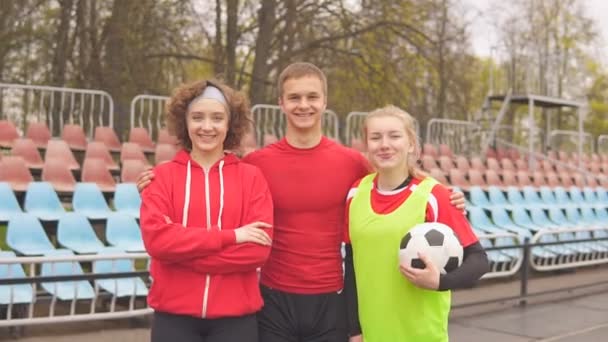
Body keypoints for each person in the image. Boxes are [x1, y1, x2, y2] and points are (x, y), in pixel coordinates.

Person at [137, 63, 466, 342]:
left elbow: (396, 176)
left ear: (324, 101)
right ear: (281, 102)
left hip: (330, 299)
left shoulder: (351, 162)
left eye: (312, 97)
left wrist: (444, 192)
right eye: (294, 97)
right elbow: (205, 176)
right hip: (272, 301)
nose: (303, 105)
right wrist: (159, 178)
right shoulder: (256, 164)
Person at [139, 79, 274, 342]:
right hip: (173, 319)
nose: (207, 127)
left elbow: (257, 250)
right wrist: (231, 236)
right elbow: (157, 242)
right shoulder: (162, 177)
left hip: (236, 321)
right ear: (185, 122)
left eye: (217, 118)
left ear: (230, 124)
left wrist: (179, 256)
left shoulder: (252, 177)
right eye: (198, 117)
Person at [344, 105, 489, 342]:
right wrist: (354, 329)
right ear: (367, 144)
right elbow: (351, 264)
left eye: (394, 136)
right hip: (371, 333)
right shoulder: (355, 193)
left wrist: (441, 282)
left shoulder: (435, 196)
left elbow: (479, 260)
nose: (384, 144)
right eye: (376, 137)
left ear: (411, 143)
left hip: (421, 334)